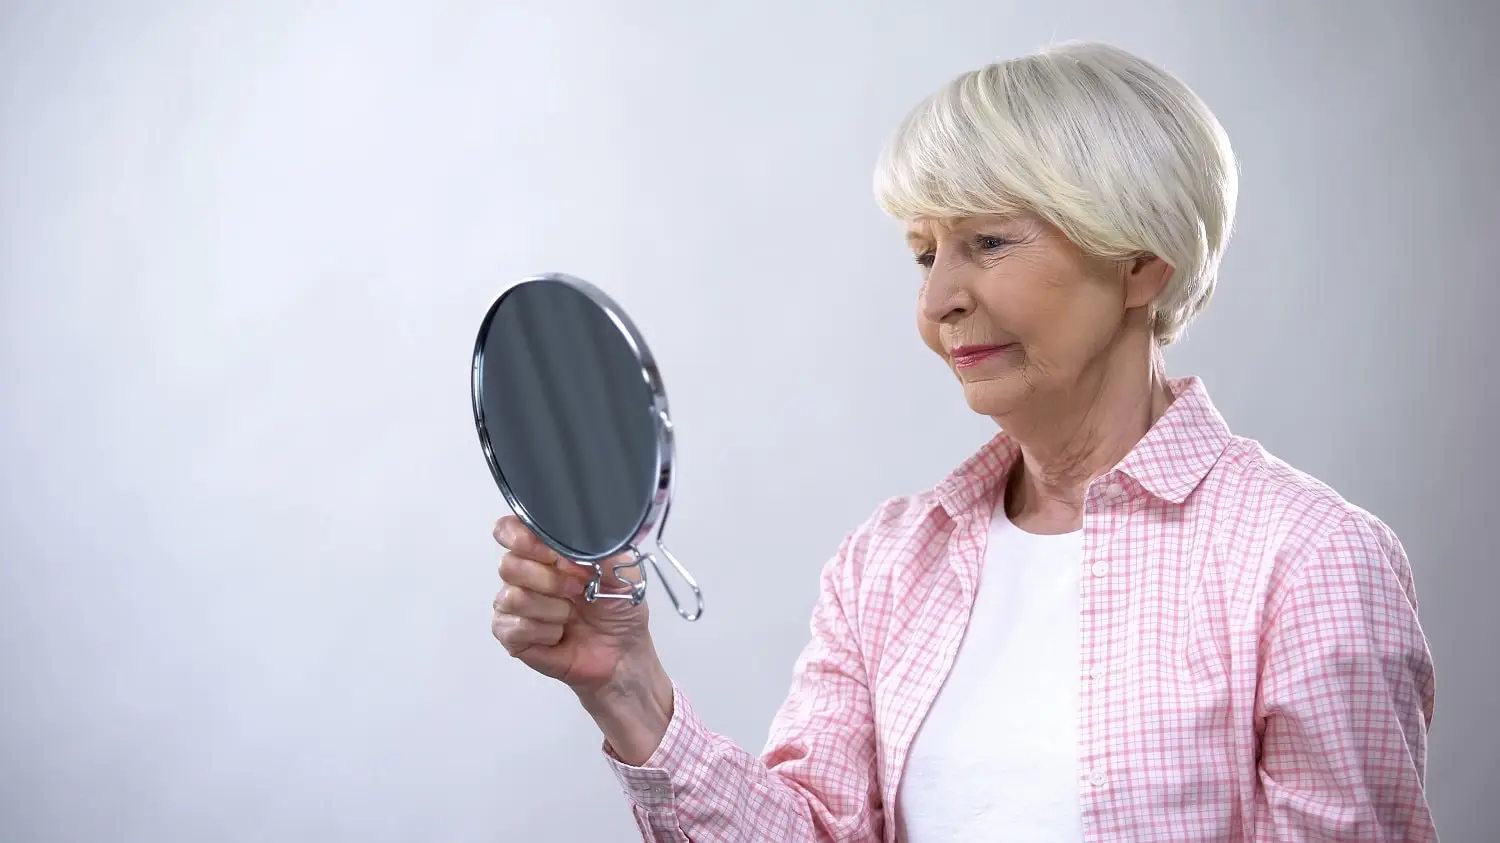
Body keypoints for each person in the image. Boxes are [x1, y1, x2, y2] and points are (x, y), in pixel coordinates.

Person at [490, 40, 1437, 842]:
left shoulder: (1309, 561)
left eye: (988, 242)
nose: (939, 300)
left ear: (1145, 261)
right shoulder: (889, 563)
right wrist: (628, 689)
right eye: (923, 253)